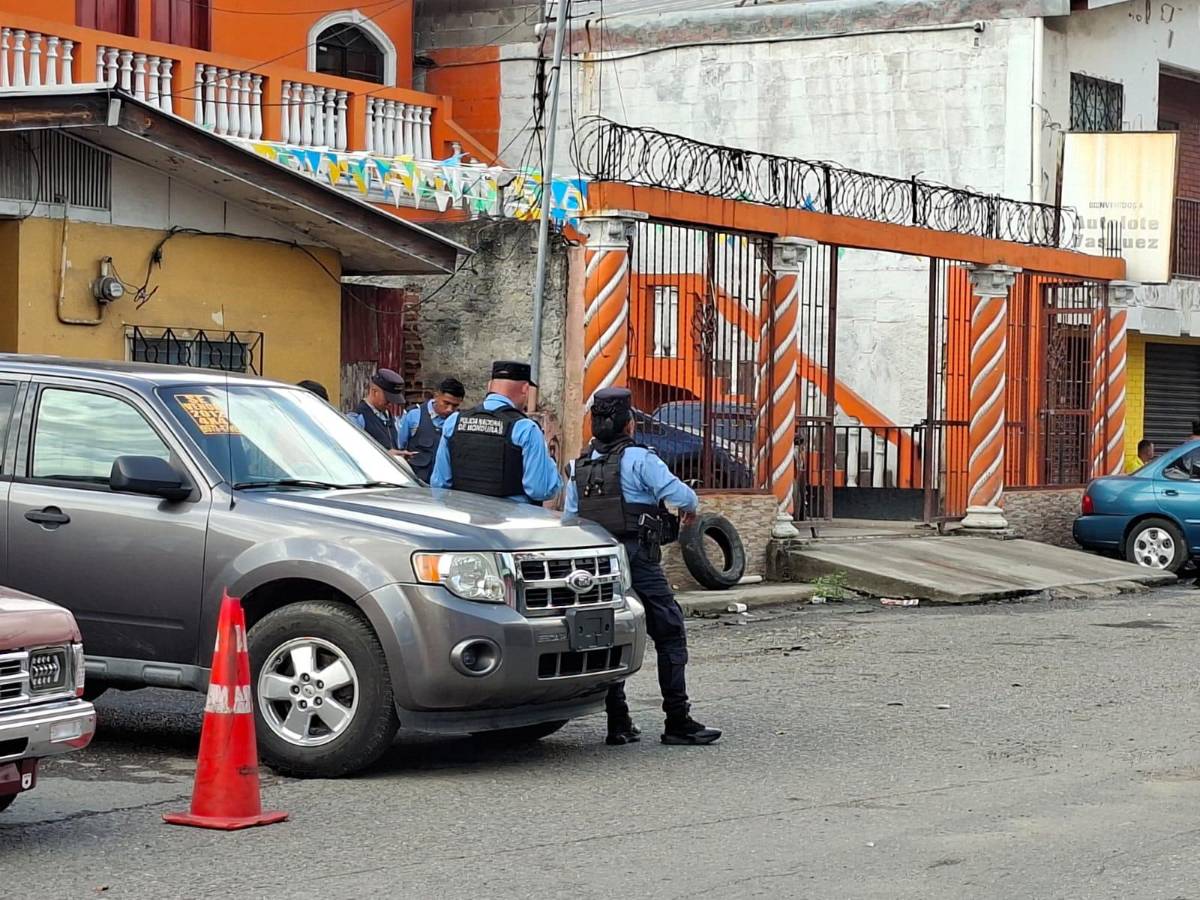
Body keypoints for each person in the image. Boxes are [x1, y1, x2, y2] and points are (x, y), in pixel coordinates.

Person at [564, 387, 721, 747]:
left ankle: (617, 721)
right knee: (669, 633)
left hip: (600, 563)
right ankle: (677, 720)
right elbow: (681, 496)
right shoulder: (640, 459)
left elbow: (571, 518)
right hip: (639, 558)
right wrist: (691, 506)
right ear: (630, 424)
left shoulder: (579, 466)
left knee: (609, 636)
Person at [431, 361, 560, 504]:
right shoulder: (526, 429)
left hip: (463, 518)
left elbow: (439, 484)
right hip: (512, 522)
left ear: (489, 385)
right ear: (525, 389)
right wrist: (551, 467)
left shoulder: (454, 422)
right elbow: (539, 490)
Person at [396, 377, 465, 482]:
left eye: (455, 406)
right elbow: (399, 448)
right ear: (436, 396)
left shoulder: (458, 421)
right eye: (446, 403)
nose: (450, 409)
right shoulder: (414, 415)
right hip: (416, 485)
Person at [347, 369, 406, 455]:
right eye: (388, 399)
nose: (391, 403)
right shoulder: (356, 419)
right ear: (374, 392)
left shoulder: (388, 416)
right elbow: (351, 453)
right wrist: (386, 455)